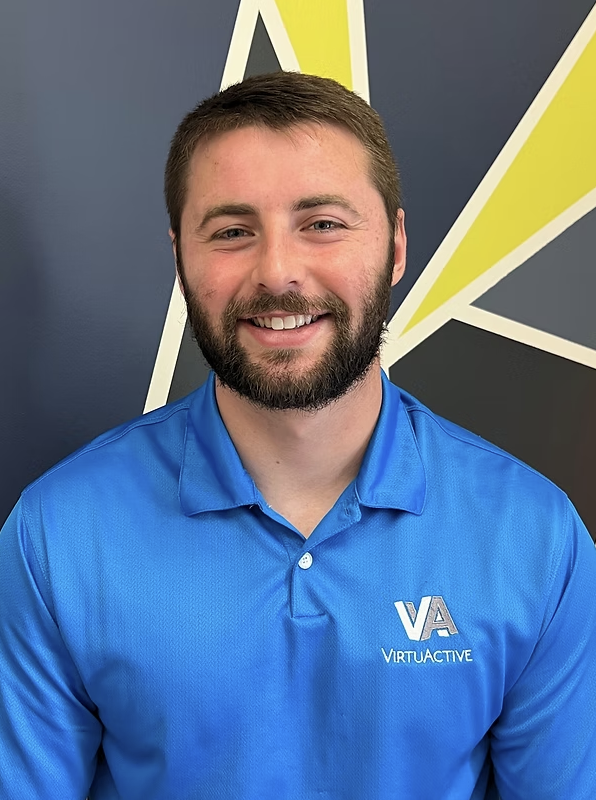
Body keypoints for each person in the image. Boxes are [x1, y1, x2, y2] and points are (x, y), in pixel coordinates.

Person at [0, 71, 595, 800]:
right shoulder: (56, 536)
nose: (278, 272)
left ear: (397, 246)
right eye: (231, 232)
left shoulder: (535, 540)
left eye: (322, 224)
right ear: (181, 261)